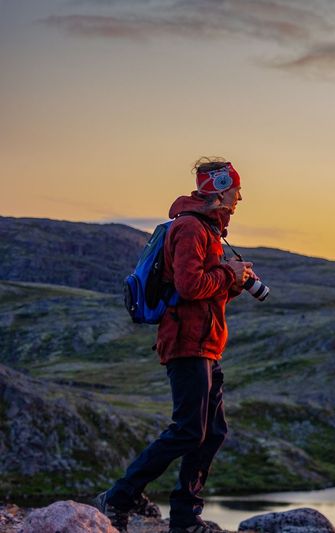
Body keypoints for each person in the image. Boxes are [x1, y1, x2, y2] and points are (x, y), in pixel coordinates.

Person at [94, 157, 253, 533]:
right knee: (187, 429)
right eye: (236, 190)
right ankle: (118, 496)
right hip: (186, 343)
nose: (240, 198)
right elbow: (189, 286)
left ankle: (185, 518)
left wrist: (233, 280)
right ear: (219, 191)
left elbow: (206, 294)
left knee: (212, 432)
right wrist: (226, 273)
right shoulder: (189, 229)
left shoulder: (210, 232)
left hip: (206, 345)